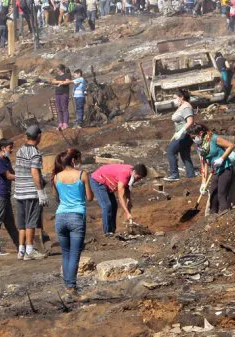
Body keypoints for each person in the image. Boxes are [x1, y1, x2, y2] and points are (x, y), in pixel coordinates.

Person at [52, 148, 94, 296]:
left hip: (60, 216)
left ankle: (68, 286)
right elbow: (89, 197)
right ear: (74, 161)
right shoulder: (82, 174)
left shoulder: (56, 177)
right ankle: (71, 287)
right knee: (75, 254)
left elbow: (56, 197)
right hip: (77, 216)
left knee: (66, 253)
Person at [14, 125, 47, 260]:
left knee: (22, 222)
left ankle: (21, 250)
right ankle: (30, 250)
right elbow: (34, 172)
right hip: (30, 191)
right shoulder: (35, 153)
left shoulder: (20, 151)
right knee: (31, 221)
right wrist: (40, 191)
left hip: (19, 191)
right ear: (38, 136)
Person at [190, 123, 235, 215]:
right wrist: (203, 183)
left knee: (221, 193)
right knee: (213, 194)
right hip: (215, 171)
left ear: (200, 133)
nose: (193, 140)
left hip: (225, 168)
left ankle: (224, 215)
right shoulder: (200, 146)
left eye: (193, 137)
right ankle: (211, 217)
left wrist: (221, 159)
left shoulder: (213, 138)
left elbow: (231, 146)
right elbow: (203, 164)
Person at [89, 163, 147, 235]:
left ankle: (112, 231)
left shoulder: (132, 174)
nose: (138, 180)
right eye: (138, 178)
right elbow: (120, 196)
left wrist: (129, 201)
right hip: (98, 181)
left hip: (107, 182)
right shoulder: (124, 175)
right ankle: (107, 233)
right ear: (134, 172)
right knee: (107, 206)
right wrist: (127, 213)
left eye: (140, 178)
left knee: (114, 205)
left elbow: (127, 188)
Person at [0, 138, 18, 256]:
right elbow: (9, 176)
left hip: (5, 195)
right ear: (2, 148)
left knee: (10, 223)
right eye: (9, 148)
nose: (11, 150)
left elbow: (13, 173)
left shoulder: (5, 159)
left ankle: (20, 246)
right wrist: (25, 177)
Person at [165, 89, 196, 181]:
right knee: (185, 154)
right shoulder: (181, 106)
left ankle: (174, 174)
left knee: (170, 151)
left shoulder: (186, 107)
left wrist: (181, 131)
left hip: (185, 134)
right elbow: (180, 123)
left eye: (175, 98)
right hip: (181, 133)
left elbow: (190, 121)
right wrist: (176, 133)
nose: (174, 100)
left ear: (181, 97)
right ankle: (191, 176)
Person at [52, 64, 71, 130]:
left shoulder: (67, 75)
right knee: (59, 109)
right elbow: (53, 81)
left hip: (64, 93)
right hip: (57, 93)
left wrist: (61, 83)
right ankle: (60, 123)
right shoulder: (57, 76)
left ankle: (65, 123)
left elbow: (67, 82)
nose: (57, 71)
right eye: (57, 70)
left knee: (64, 108)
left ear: (62, 69)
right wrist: (60, 82)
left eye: (58, 69)